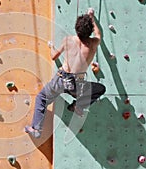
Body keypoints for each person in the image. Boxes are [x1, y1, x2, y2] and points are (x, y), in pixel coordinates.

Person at [25, 8, 106, 138]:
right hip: (77, 85)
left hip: (61, 79)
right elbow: (98, 34)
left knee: (42, 98)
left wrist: (51, 46)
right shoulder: (93, 43)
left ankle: (36, 128)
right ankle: (77, 106)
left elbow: (53, 57)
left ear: (76, 29)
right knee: (100, 88)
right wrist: (91, 17)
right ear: (89, 31)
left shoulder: (68, 40)